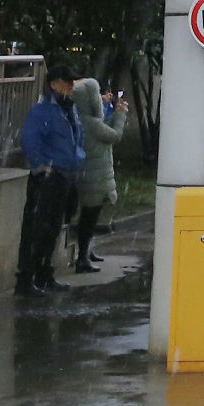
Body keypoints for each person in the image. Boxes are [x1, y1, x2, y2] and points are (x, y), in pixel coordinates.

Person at [16, 65, 84, 296]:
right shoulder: (43, 111)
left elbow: (77, 138)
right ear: (54, 84)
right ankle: (27, 279)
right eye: (67, 82)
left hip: (64, 175)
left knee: (53, 227)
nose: (71, 87)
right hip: (48, 177)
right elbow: (30, 141)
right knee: (37, 229)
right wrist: (44, 166)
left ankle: (44, 274)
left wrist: (76, 160)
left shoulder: (68, 109)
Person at [71, 78, 127, 273]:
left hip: (91, 175)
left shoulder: (82, 118)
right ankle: (83, 256)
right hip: (94, 178)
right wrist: (120, 116)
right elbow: (113, 135)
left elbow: (105, 129)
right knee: (89, 217)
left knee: (89, 216)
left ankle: (86, 251)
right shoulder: (91, 122)